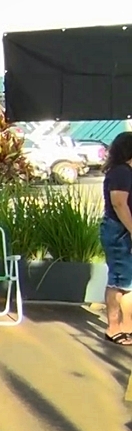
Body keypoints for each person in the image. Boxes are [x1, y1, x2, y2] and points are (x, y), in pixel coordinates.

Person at [100, 132, 132, 346]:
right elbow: (120, 204)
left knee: (127, 280)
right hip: (119, 230)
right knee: (120, 281)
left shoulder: (124, 171)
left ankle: (126, 326)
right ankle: (114, 327)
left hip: (122, 230)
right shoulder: (121, 172)